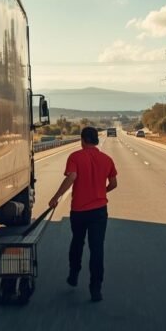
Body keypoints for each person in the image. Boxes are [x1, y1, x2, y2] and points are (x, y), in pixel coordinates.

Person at [49, 126, 118, 302]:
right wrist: (101, 192)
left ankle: (74, 274)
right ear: (95, 139)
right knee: (97, 249)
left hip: (79, 211)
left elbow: (71, 177)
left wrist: (56, 197)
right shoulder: (107, 159)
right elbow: (114, 183)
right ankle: (96, 289)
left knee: (77, 241)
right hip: (99, 211)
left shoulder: (75, 157)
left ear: (83, 140)